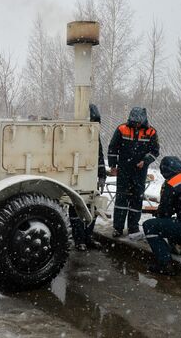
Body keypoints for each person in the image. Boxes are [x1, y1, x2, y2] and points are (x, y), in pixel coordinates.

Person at [108, 107, 159, 239]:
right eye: (133, 122)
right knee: (121, 199)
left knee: (137, 198)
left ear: (143, 120)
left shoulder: (151, 132)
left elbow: (155, 152)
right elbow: (113, 147)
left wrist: (145, 161)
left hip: (140, 171)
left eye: (138, 122)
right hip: (124, 170)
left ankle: (133, 227)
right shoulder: (121, 129)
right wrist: (113, 165)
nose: (136, 124)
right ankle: (118, 228)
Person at [70, 104, 106, 251]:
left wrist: (102, 175)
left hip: (91, 176)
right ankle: (79, 239)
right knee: (76, 207)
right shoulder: (74, 135)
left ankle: (88, 236)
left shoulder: (94, 136)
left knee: (92, 205)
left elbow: (100, 156)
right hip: (77, 177)